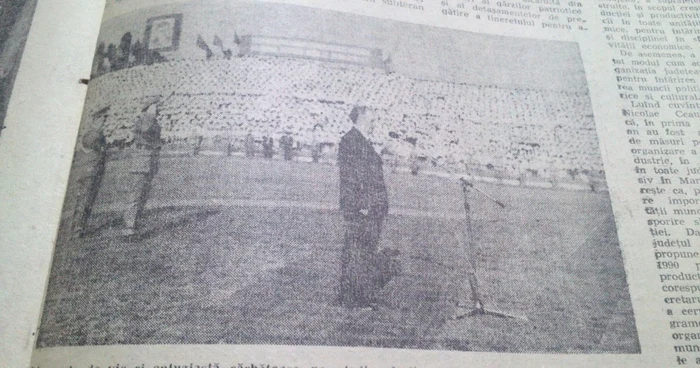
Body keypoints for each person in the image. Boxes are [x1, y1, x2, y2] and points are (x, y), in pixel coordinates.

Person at [338, 105, 390, 310]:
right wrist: (362, 204)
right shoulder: (351, 140)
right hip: (362, 207)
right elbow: (351, 176)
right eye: (372, 119)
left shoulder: (361, 141)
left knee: (363, 251)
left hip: (369, 206)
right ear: (360, 118)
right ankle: (354, 298)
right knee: (358, 252)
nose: (374, 123)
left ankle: (357, 295)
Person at [121, 98, 162, 236]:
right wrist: (150, 115)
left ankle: (134, 224)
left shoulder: (152, 121)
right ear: (148, 108)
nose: (158, 109)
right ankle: (128, 227)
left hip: (149, 161)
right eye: (155, 107)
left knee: (143, 195)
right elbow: (145, 130)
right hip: (141, 161)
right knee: (136, 195)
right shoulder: (145, 119)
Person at [72, 107, 110, 238]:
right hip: (89, 170)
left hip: (93, 170)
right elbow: (90, 144)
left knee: (87, 200)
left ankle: (79, 227)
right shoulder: (93, 133)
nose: (104, 121)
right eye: (102, 119)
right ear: (96, 119)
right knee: (85, 199)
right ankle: (78, 229)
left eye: (104, 119)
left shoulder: (96, 133)